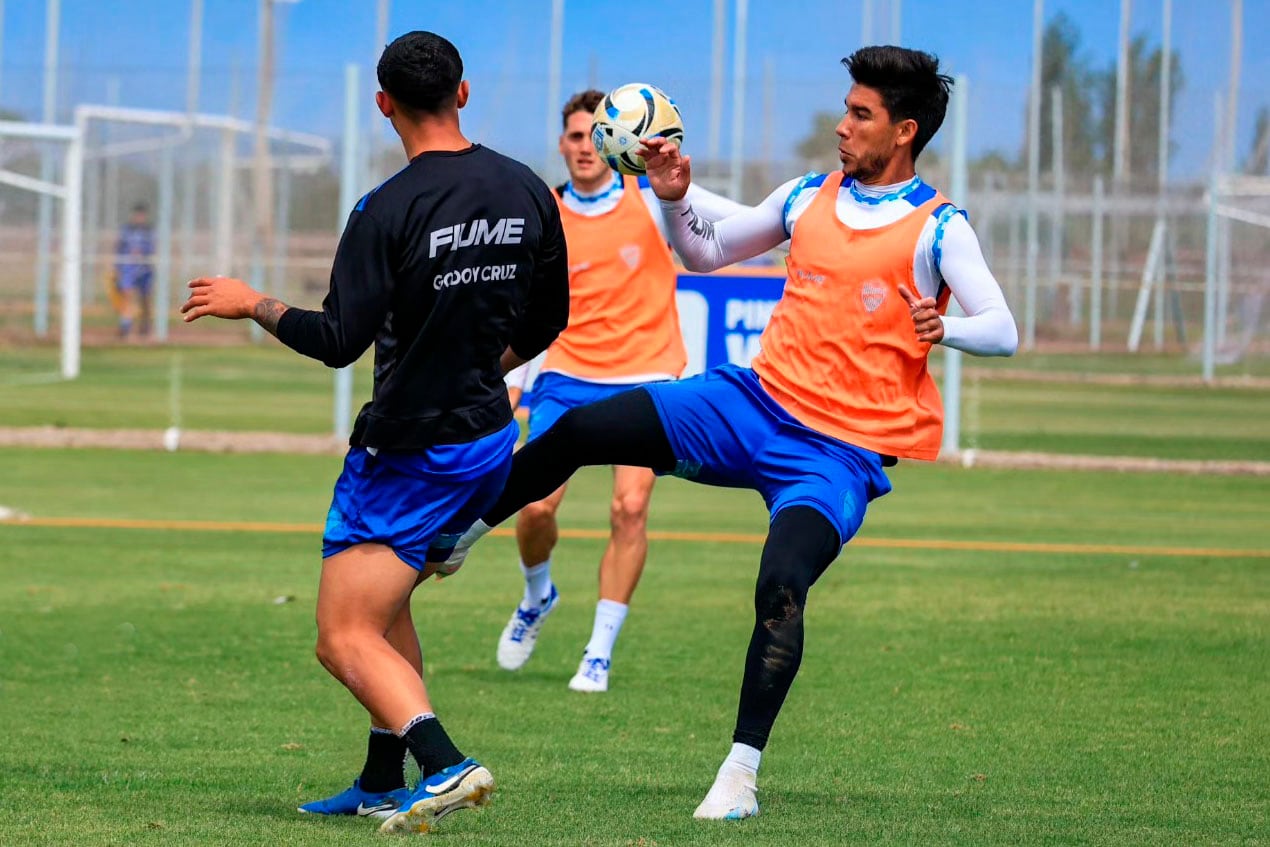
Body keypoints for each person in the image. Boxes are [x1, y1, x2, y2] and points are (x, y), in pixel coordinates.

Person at [442, 46, 1018, 819]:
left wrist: (946, 327)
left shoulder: (939, 227)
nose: (842, 126)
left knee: (781, 584)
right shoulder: (807, 195)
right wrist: (676, 197)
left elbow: (1004, 328)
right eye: (846, 109)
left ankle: (740, 773)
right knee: (580, 428)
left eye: (861, 115)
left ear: (904, 130)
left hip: (836, 453)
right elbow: (706, 254)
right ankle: (459, 533)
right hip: (753, 405)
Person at [179, 31, 569, 834]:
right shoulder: (528, 188)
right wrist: (481, 369)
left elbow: (336, 340)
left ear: (384, 104)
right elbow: (549, 317)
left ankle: (446, 764)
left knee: (342, 633)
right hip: (487, 437)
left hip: (409, 452)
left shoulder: (384, 210)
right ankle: (381, 777)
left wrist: (252, 302)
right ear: (463, 93)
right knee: (386, 611)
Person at [494, 90, 748, 694]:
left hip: (645, 374)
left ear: (615, 143)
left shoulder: (649, 200)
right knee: (534, 507)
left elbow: (720, 228)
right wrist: (510, 381)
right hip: (566, 375)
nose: (586, 147)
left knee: (629, 509)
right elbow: (522, 306)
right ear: (562, 145)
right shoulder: (545, 211)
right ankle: (538, 595)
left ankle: (599, 652)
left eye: (596, 136)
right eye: (576, 137)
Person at [114, 202, 155, 339]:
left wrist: (144, 255)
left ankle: (145, 325)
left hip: (144, 268)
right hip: (128, 268)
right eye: (137, 215)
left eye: (142, 215)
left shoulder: (149, 231)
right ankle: (125, 325)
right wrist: (117, 268)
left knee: (145, 298)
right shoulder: (127, 230)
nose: (139, 218)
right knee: (127, 295)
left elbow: (153, 249)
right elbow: (119, 248)